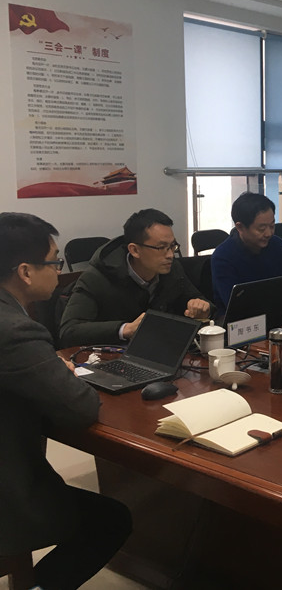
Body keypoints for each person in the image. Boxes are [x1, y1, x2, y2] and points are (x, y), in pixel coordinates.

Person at [0, 212, 131, 589]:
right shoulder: (16, 331)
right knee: (111, 520)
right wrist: (64, 374)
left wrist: (45, 367)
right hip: (8, 494)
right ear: (25, 272)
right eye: (54, 261)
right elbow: (81, 409)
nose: (59, 270)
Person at [59, 208, 211, 347]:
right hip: (110, 356)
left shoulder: (171, 269)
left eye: (172, 246)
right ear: (135, 250)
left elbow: (200, 301)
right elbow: (69, 331)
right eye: (161, 248)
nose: (170, 255)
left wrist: (202, 309)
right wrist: (125, 329)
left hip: (158, 350)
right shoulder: (97, 277)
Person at [210, 192, 282, 310]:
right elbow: (237, 303)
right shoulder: (223, 257)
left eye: (272, 226)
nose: (269, 233)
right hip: (243, 319)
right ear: (240, 227)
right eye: (261, 229)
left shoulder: (275, 243)